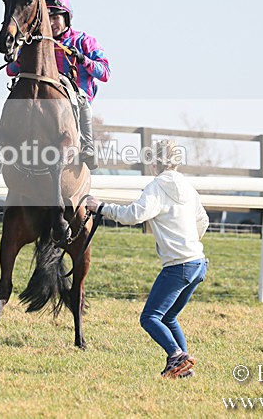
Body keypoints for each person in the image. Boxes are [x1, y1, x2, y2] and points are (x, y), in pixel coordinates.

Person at [86, 140, 209, 379]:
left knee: (150, 317)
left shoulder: (156, 186)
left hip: (179, 265)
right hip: (198, 262)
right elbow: (203, 221)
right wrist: (189, 243)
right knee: (169, 317)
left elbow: (134, 215)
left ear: (154, 162)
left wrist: (100, 207)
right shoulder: (187, 186)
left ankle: (176, 355)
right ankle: (183, 369)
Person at [7, 0, 110, 169]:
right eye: (48, 18)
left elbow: (105, 73)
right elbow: (11, 71)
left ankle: (87, 146)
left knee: (81, 101)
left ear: (66, 18)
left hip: (75, 97)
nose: (52, 23)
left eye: (56, 17)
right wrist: (16, 56)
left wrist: (83, 59)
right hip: (43, 99)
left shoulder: (84, 41)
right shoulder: (35, 43)